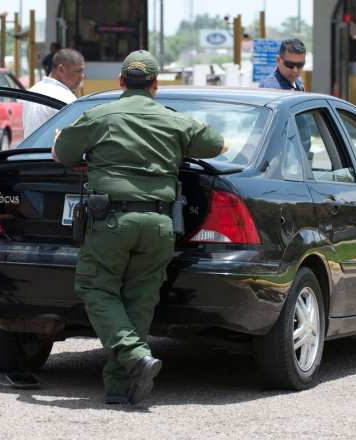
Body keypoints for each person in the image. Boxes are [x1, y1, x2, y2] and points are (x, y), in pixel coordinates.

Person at [52, 50, 227, 406]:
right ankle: (120, 388)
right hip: (160, 224)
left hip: (111, 221)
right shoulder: (174, 120)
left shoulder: (98, 115)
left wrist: (61, 138)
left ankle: (134, 355)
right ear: (155, 85)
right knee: (139, 302)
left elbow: (62, 155)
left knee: (95, 287)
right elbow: (220, 145)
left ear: (120, 82)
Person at [23, 48, 85, 137]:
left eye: (82, 71)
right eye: (78, 71)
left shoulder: (32, 91)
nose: (82, 76)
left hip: (30, 151)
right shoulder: (66, 98)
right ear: (61, 70)